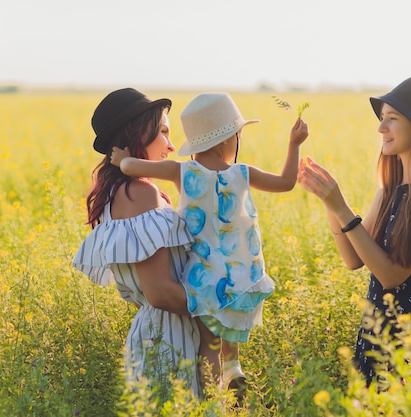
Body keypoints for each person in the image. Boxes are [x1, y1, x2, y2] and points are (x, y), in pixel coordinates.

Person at [110, 92, 309, 399]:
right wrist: (294, 144)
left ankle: (212, 399)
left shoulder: (182, 171)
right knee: (230, 325)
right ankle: (234, 367)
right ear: (227, 140)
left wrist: (121, 159)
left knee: (208, 342)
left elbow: (133, 168)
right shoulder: (243, 173)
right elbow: (286, 182)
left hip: (204, 277)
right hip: (244, 273)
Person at [297, 77, 411, 387]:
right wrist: (329, 202)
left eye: (392, 119)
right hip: (375, 338)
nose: (380, 128)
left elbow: (392, 275)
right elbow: (353, 258)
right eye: (381, 118)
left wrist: (341, 206)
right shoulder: (393, 186)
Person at [72, 88, 201, 397]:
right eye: (163, 132)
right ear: (139, 135)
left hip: (155, 335)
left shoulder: (118, 195)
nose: (171, 145)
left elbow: (140, 292)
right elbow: (159, 293)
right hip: (171, 340)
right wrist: (220, 307)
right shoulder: (141, 194)